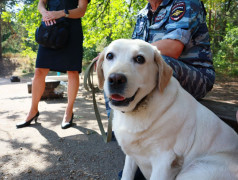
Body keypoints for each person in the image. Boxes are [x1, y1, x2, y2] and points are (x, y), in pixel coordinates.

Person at [105, 0, 215, 179]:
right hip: (155, 71)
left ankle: (152, 156)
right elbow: (131, 53)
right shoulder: (142, 14)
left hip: (196, 74)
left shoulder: (186, 3)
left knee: (159, 64)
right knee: (114, 68)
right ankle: (131, 140)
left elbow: (173, 48)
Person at [16, 0, 90, 129]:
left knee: (72, 71)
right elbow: (41, 3)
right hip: (49, 29)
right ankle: (33, 111)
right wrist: (45, 13)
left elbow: (81, 10)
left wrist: (61, 13)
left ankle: (69, 112)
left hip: (72, 30)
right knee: (39, 70)